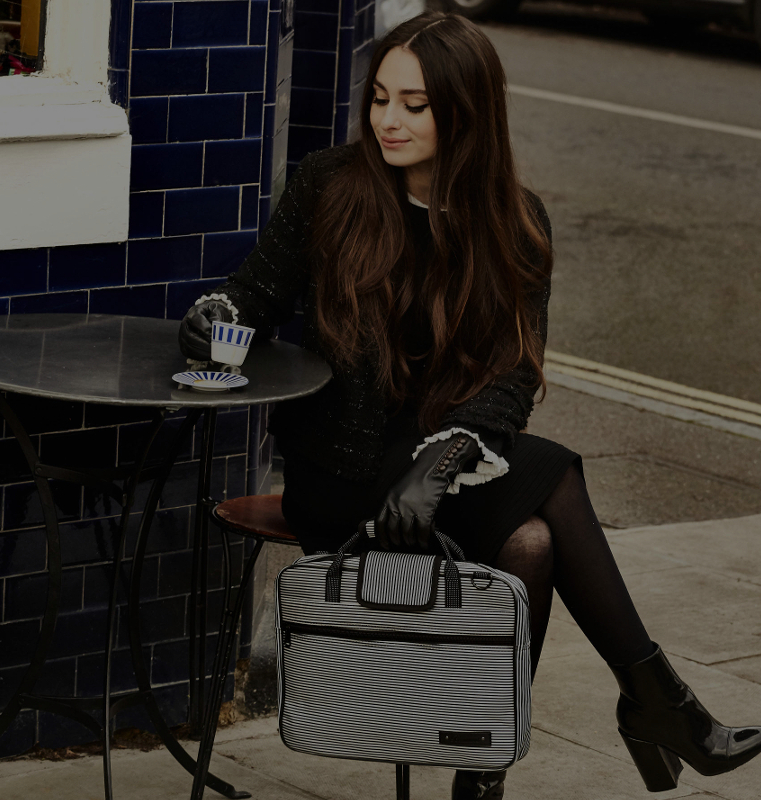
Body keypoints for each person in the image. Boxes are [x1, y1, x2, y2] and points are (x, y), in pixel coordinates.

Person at [179, 11, 761, 799]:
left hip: (442, 471)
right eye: (381, 97)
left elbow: (513, 380)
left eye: (414, 105)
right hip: (342, 474)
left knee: (530, 543)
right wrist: (213, 317)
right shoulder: (330, 185)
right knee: (555, 476)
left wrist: (441, 462)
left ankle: (486, 770)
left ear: (467, 110)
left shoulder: (514, 225)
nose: (388, 119)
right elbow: (251, 297)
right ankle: (656, 704)